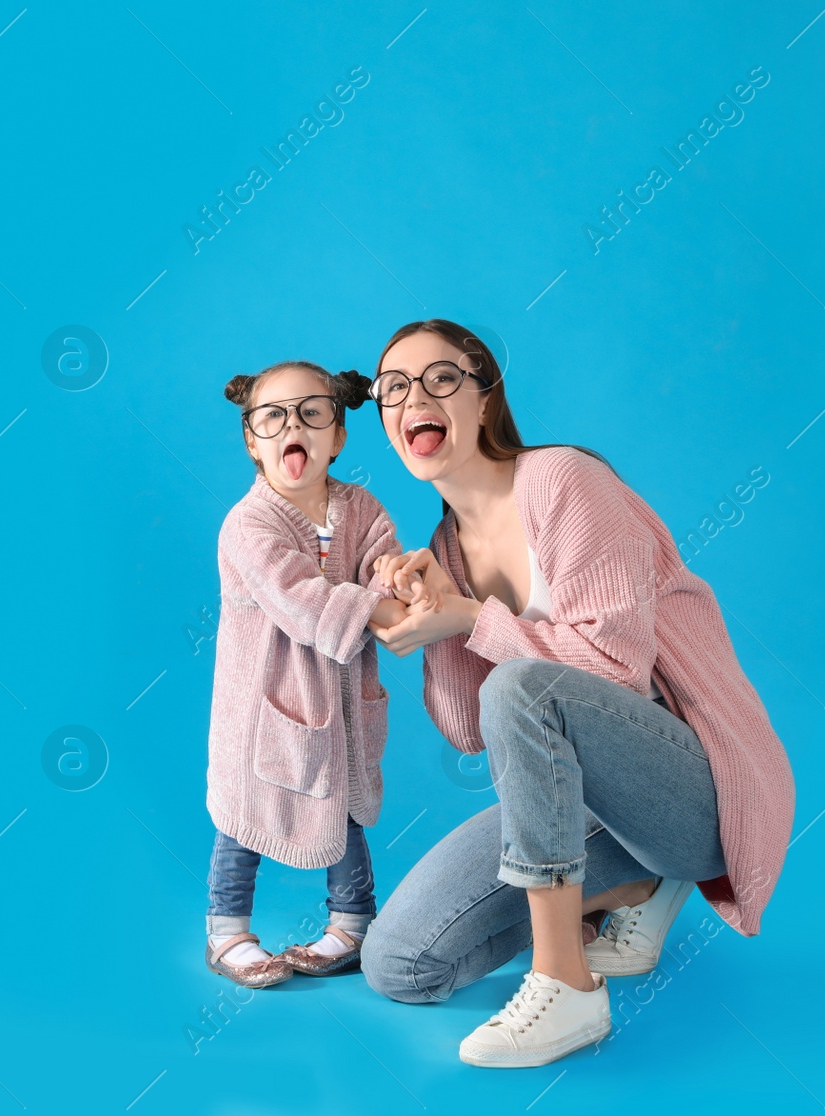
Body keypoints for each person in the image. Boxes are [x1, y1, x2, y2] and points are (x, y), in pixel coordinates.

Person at [359, 319, 795, 1067]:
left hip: (697, 789)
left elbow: (616, 670)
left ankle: (566, 982)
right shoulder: (446, 549)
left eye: (440, 379)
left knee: (526, 686)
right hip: (580, 805)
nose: (412, 399)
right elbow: (470, 728)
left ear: (486, 397)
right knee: (400, 963)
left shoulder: (563, 480)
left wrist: (475, 619)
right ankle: (630, 890)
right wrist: (439, 620)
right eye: (392, 388)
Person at [204, 359, 424, 987]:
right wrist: (381, 606)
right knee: (242, 814)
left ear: (337, 436)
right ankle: (227, 929)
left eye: (311, 413)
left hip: (346, 704)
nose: (291, 428)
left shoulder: (361, 508)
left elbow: (385, 562)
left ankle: (352, 923)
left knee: (345, 806)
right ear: (252, 439)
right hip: (265, 702)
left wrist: (396, 577)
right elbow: (302, 601)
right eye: (272, 417)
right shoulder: (248, 525)